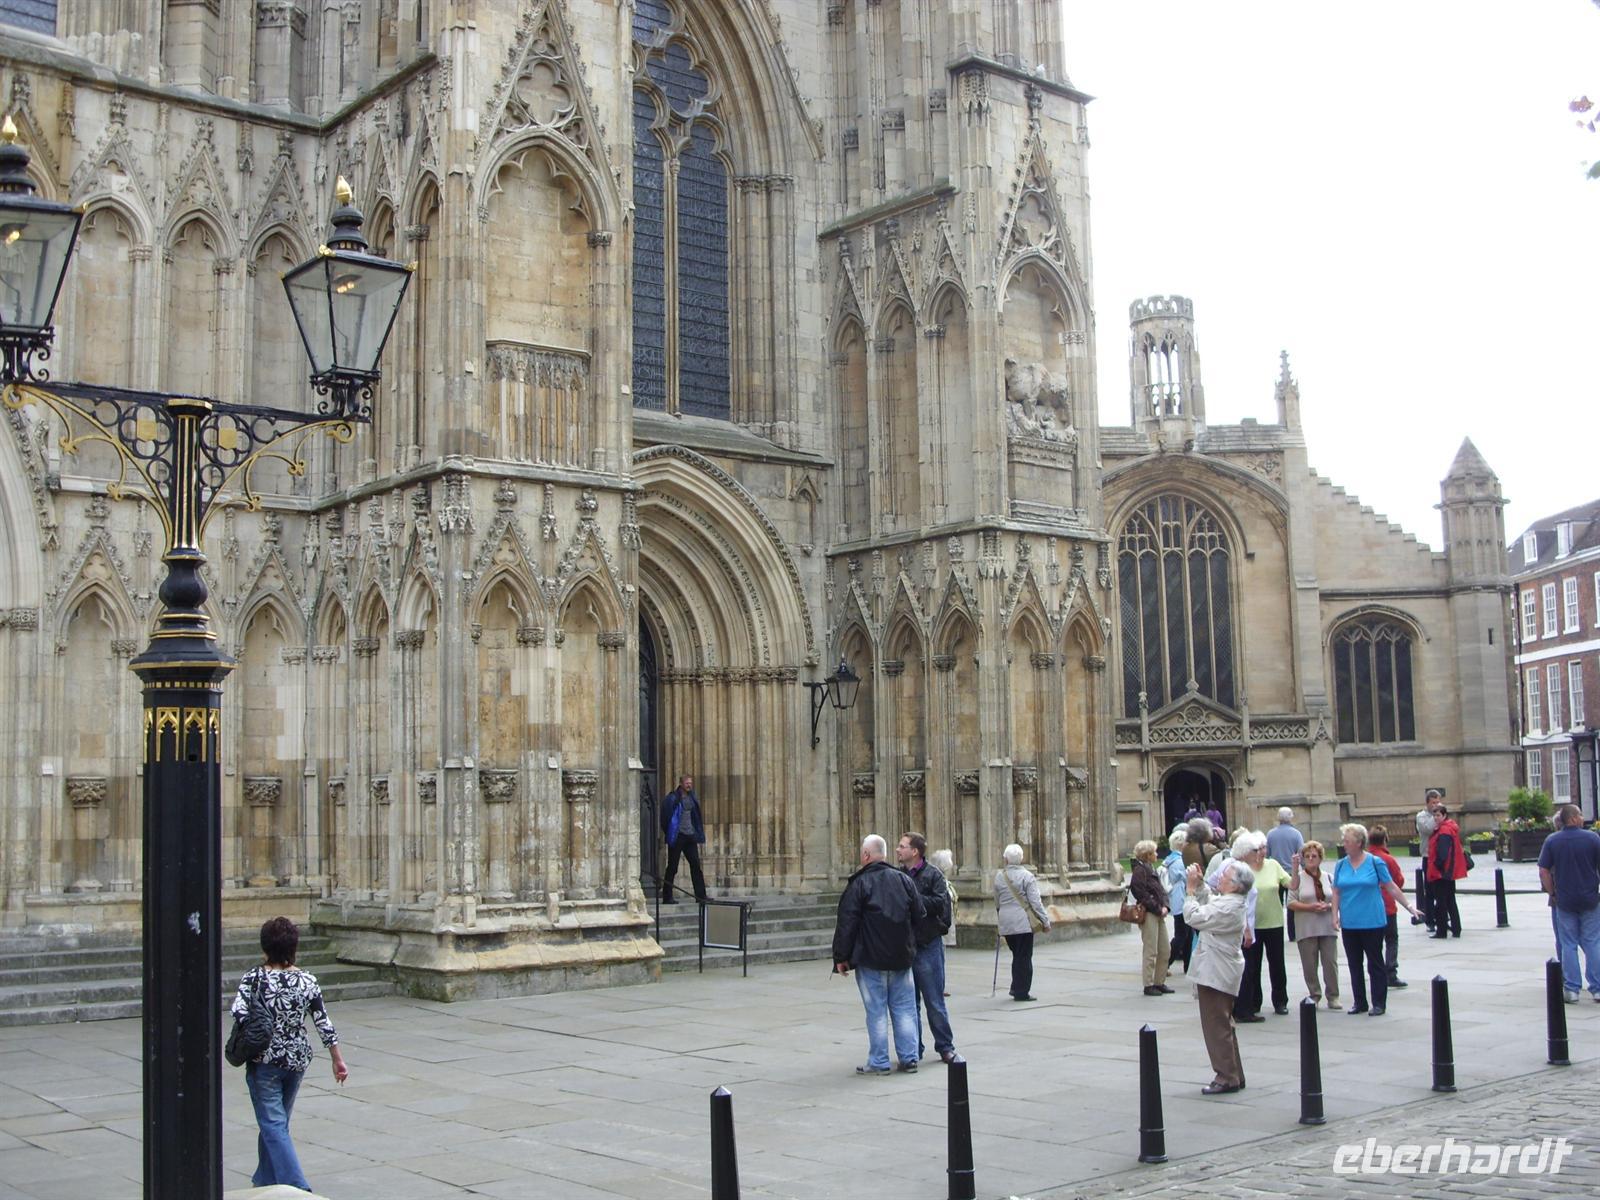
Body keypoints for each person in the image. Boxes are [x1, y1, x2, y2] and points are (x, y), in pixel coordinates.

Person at [231, 916, 348, 1192]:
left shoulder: (254, 978)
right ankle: (264, 1180)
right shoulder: (307, 980)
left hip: (264, 1060)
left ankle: (298, 1186)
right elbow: (323, 1021)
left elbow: (238, 1012)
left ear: (265, 947)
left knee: (273, 1123)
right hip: (296, 1061)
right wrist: (337, 1058)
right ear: (293, 947)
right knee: (277, 1122)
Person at [833, 834, 925, 1074]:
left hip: (870, 957)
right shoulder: (903, 880)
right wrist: (908, 942)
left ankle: (879, 1061)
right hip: (901, 957)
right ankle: (909, 1058)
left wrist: (841, 957)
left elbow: (847, 923)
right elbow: (919, 914)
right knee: (904, 1008)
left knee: (876, 1011)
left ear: (866, 855)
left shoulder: (859, 883)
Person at [1332, 823, 1420, 1016]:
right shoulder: (1341, 865)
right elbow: (1336, 891)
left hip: (1372, 920)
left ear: (1359, 842)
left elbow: (1391, 886)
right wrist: (1334, 915)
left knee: (1375, 962)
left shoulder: (1374, 862)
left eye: (1347, 841)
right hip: (1350, 922)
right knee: (1354, 964)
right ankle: (1359, 1002)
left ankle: (1379, 1002)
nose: (1343, 844)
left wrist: (1409, 906)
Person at [1184, 856, 1255, 1094]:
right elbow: (1211, 902)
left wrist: (1190, 891)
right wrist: (1201, 886)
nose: (1220, 878)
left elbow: (1194, 917)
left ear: (1235, 885)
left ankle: (1226, 1077)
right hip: (1218, 969)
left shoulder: (1230, 906)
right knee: (1224, 1023)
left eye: (1225, 876)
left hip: (1216, 972)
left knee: (1216, 1026)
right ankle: (1234, 1073)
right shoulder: (1230, 902)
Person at [896, 833, 957, 1062]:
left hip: (928, 944)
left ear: (915, 851)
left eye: (902, 846)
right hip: (905, 944)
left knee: (934, 1000)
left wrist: (914, 900)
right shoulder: (898, 875)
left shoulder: (933, 875)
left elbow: (941, 904)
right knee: (909, 1003)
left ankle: (945, 1046)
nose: (897, 850)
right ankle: (914, 1049)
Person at [1538, 803, 1600, 1003]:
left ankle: (1572, 989)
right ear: (1573, 818)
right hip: (1590, 898)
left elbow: (1543, 871)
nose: (1582, 818)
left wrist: (1552, 892)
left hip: (1564, 900)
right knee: (1592, 942)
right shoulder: (1592, 838)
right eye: (1580, 814)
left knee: (1568, 944)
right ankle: (1597, 988)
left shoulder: (1552, 840)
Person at [1240, 832, 1292, 1017]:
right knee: (1252, 966)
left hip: (1274, 922)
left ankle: (1280, 1001)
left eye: (1264, 848)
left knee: (1277, 964)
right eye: (1257, 849)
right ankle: (1255, 1002)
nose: (1261, 852)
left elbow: (1292, 885)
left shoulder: (1273, 865)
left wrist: (1295, 867)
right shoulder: (1244, 869)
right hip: (1253, 925)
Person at [995, 843, 1051, 1001]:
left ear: (1006, 859)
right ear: (1020, 859)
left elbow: (997, 901)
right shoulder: (1027, 876)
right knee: (1024, 957)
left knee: (1017, 954)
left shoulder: (999, 876)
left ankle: (1015, 987)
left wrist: (1001, 917)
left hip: (1006, 922)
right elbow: (1035, 902)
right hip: (1023, 923)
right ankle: (1021, 991)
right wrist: (1045, 921)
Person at [1288, 841, 1340, 1009]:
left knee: (1330, 962)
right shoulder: (1297, 878)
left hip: (1327, 926)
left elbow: (1337, 899)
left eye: (1314, 856)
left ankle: (1333, 996)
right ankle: (1314, 994)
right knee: (1309, 964)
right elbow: (1291, 902)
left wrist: (1329, 906)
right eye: (1307, 856)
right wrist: (1310, 907)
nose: (1311, 859)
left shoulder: (1328, 877)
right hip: (1306, 927)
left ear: (1320, 858)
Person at [1129, 840, 1174, 996]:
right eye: (1154, 852)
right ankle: (1148, 984)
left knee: (1165, 949)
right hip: (1149, 913)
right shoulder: (1140, 870)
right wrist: (1157, 908)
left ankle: (1159, 981)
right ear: (1147, 855)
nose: (1156, 854)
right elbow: (1140, 893)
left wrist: (1165, 906)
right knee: (1151, 949)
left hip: (1158, 912)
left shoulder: (1151, 868)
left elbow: (1161, 890)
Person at [1367, 825, 1410, 988]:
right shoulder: (1388, 859)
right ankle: (1391, 972)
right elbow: (1398, 881)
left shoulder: (1365, 858)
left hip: (1369, 908)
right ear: (1385, 839)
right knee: (1391, 939)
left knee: (1374, 943)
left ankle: (1376, 972)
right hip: (1387, 906)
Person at [660, 773, 709, 903]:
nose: (689, 785)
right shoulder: (672, 798)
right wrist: (670, 833)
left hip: (690, 836)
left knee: (696, 865)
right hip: (678, 836)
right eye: (687, 783)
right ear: (681, 784)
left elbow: (696, 816)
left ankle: (701, 896)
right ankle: (667, 896)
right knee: (672, 867)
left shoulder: (692, 797)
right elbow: (665, 818)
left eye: (690, 783)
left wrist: (696, 832)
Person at [1425, 804, 1468, 938]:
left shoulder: (1444, 830)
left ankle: (1442, 930)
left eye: (1438, 815)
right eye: (1434, 815)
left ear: (1444, 815)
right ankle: (1456, 928)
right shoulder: (1448, 828)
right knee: (1450, 900)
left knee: (1441, 902)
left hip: (1442, 872)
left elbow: (1442, 853)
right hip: (1448, 871)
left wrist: (1437, 865)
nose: (1436, 818)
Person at [1265, 807, 1304, 942]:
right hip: (1291, 873)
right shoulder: (1296, 834)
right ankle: (1292, 934)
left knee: (1276, 904)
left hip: (1275, 873)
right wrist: (1305, 868)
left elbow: (1267, 854)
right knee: (1292, 904)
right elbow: (1301, 853)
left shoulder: (1271, 834)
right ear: (1291, 817)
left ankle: (1277, 931)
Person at [1415, 789, 1445, 930]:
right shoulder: (1422, 816)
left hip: (1441, 856)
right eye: (1433, 803)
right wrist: (1437, 816)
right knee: (1430, 890)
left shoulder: (1442, 813)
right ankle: (1430, 921)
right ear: (1427, 803)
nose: (1436, 805)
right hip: (1428, 856)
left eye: (1438, 802)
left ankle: (1442, 918)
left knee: (1442, 890)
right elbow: (1427, 829)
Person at [1164, 829, 1192, 972]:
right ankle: (1165, 963)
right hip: (1181, 901)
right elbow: (1187, 879)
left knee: (1187, 935)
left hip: (1178, 900)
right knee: (1181, 935)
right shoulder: (1180, 861)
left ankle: (1188, 965)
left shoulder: (1171, 859)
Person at [931, 848, 960, 950]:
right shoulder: (937, 882)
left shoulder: (946, 882)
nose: (951, 869)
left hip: (946, 923)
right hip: (939, 925)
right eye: (949, 867)